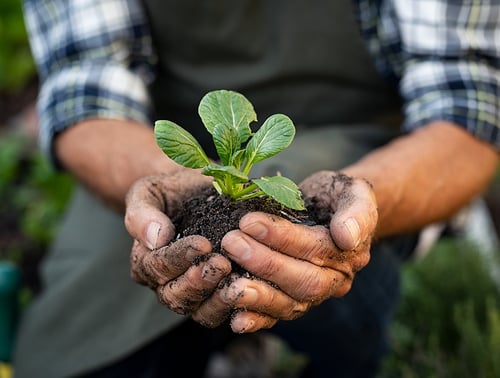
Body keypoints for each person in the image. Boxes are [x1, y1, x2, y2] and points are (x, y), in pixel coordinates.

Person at [14, 0, 499, 377]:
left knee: (323, 264)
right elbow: (86, 89)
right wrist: (162, 186)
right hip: (152, 154)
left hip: (365, 144)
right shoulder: (167, 174)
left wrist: (368, 201)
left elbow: (466, 107)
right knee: (80, 347)